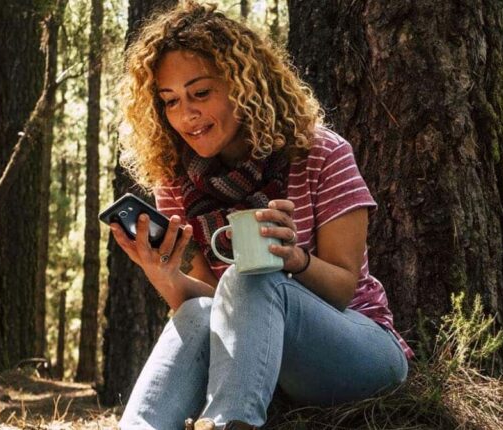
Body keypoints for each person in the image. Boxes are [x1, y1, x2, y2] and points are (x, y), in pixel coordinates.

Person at [113, 2, 412, 429]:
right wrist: (166, 278)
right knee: (197, 313)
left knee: (252, 275)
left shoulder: (321, 154)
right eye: (171, 101)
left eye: (200, 93)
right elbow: (215, 309)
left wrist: (295, 261)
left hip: (357, 347)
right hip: (257, 363)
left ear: (243, 86)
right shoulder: (175, 183)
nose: (187, 115)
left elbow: (345, 289)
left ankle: (229, 423)